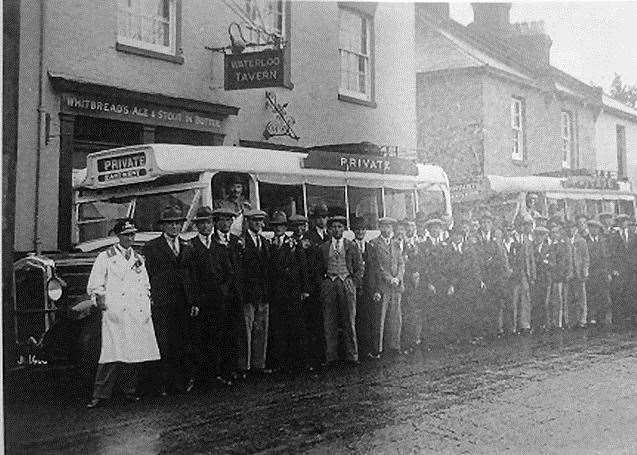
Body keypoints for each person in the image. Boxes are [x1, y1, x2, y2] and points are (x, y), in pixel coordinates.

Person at [86, 219, 160, 408]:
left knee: (134, 354)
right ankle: (100, 394)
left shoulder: (138, 259)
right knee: (111, 355)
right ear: (118, 236)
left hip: (135, 311)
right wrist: (100, 299)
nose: (130, 238)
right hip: (116, 311)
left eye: (132, 234)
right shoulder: (106, 257)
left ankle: (129, 390)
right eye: (126, 234)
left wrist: (145, 307)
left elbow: (145, 284)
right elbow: (95, 284)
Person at [142, 206, 198, 396]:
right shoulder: (151, 247)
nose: (174, 227)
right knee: (163, 343)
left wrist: (193, 302)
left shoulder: (188, 246)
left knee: (182, 342)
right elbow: (147, 275)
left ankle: (181, 382)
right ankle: (162, 384)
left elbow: (192, 277)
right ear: (163, 227)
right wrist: (150, 299)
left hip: (182, 302)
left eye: (177, 224)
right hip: (162, 302)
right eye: (170, 224)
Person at [190, 206, 242, 387]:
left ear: (213, 224)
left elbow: (229, 273)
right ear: (197, 226)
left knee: (218, 336)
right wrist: (195, 300)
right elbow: (189, 277)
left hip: (219, 301)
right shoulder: (191, 247)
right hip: (201, 301)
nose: (206, 226)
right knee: (200, 338)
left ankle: (217, 373)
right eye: (202, 223)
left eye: (209, 222)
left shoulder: (218, 247)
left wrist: (224, 291)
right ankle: (201, 377)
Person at [268, 211, 311, 372]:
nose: (278, 228)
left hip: (292, 290)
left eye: (281, 225)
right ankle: (280, 363)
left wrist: (305, 289)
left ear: (285, 227)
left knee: (296, 326)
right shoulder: (270, 243)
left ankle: (299, 362)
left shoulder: (293, 243)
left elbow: (303, 267)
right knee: (278, 328)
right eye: (275, 226)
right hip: (276, 291)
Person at [317, 215, 363, 365]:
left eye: (340, 227)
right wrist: (323, 284)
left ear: (344, 229)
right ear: (329, 230)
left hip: (346, 283)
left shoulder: (351, 246)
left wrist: (354, 283)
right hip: (329, 283)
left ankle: (352, 355)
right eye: (334, 227)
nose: (337, 230)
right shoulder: (323, 247)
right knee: (329, 321)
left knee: (349, 320)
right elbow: (317, 269)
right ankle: (331, 356)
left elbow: (359, 268)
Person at [238, 208, 272, 376]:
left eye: (260, 221)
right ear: (247, 222)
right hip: (248, 293)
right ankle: (245, 366)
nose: (258, 224)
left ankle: (259, 364)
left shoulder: (265, 243)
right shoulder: (241, 243)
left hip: (263, 293)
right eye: (254, 221)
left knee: (261, 330)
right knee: (247, 331)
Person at [369, 217, 405, 356]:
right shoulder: (374, 244)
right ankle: (377, 349)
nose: (387, 229)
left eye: (389, 227)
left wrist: (398, 278)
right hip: (383, 285)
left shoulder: (396, 244)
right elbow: (378, 267)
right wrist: (390, 279)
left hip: (396, 285)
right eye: (384, 226)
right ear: (379, 228)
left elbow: (401, 263)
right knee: (380, 318)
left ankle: (394, 346)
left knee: (396, 317)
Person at [444, 226, 483, 342]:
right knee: (455, 311)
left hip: (468, 284)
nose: (457, 237)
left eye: (459, 235)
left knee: (469, 310)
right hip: (454, 286)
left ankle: (469, 337)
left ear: (462, 236)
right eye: (455, 235)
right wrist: (450, 285)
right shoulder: (447, 251)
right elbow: (445, 269)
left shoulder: (469, 249)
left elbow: (475, 267)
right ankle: (456, 337)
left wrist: (479, 281)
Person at [478, 212, 511, 338]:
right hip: (484, 276)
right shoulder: (477, 239)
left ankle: (497, 329)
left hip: (496, 277)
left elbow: (502, 257)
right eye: (483, 223)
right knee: (485, 304)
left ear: (492, 224)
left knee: (497, 304)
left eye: (488, 223)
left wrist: (504, 273)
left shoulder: (496, 238)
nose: (486, 225)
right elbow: (477, 260)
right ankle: (486, 330)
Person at [351, 217, 379, 360]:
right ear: (353, 231)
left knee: (370, 319)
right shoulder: (350, 246)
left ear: (365, 231)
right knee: (357, 320)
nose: (360, 232)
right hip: (356, 288)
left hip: (369, 289)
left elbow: (375, 270)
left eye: (362, 229)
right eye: (357, 229)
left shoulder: (370, 248)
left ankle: (370, 349)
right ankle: (359, 351)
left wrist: (376, 290)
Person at [508, 214, 536, 334]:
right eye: (519, 225)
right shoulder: (510, 239)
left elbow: (531, 259)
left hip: (525, 274)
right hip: (514, 275)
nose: (521, 227)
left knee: (525, 300)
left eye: (523, 225)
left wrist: (533, 274)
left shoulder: (527, 240)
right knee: (514, 301)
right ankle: (513, 326)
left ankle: (525, 325)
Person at [396, 219, 421, 353]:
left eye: (412, 227)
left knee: (411, 312)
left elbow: (418, 263)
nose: (407, 231)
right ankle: (402, 342)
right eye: (406, 228)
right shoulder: (397, 245)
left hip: (412, 283)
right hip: (400, 281)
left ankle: (412, 341)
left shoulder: (415, 244)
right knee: (401, 313)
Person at [609, 213, 636, 329]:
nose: (623, 223)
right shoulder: (614, 236)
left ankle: (632, 317)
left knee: (632, 292)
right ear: (618, 223)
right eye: (621, 221)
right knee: (619, 292)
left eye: (625, 221)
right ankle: (621, 319)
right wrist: (613, 268)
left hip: (632, 269)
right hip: (619, 270)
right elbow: (611, 254)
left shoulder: (633, 235)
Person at [584, 220, 612, 326]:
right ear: (589, 229)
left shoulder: (603, 241)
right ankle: (592, 317)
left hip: (602, 273)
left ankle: (603, 317)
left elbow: (607, 258)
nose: (594, 230)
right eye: (591, 228)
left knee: (603, 295)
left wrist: (608, 272)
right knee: (591, 295)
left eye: (596, 228)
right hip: (591, 273)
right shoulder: (585, 241)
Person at [546, 219, 571, 330]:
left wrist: (565, 272)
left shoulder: (563, 245)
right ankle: (553, 321)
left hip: (560, 275)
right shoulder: (548, 246)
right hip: (550, 276)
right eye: (552, 233)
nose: (554, 234)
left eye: (556, 232)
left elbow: (566, 261)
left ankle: (562, 322)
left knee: (561, 299)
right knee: (552, 299)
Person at [564, 220, 589, 329]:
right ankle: (571, 321)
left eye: (572, 228)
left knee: (581, 298)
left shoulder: (582, 241)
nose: (570, 230)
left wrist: (585, 270)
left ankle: (582, 320)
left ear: (576, 229)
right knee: (569, 298)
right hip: (569, 274)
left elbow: (586, 257)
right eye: (568, 228)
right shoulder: (564, 242)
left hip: (579, 273)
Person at [532, 226, 552, 330]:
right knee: (536, 301)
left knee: (545, 302)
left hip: (545, 278)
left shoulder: (548, 248)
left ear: (545, 236)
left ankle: (545, 324)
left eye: (541, 235)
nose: (539, 237)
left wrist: (542, 262)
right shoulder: (531, 247)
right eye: (537, 235)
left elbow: (550, 263)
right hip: (536, 279)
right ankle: (536, 324)